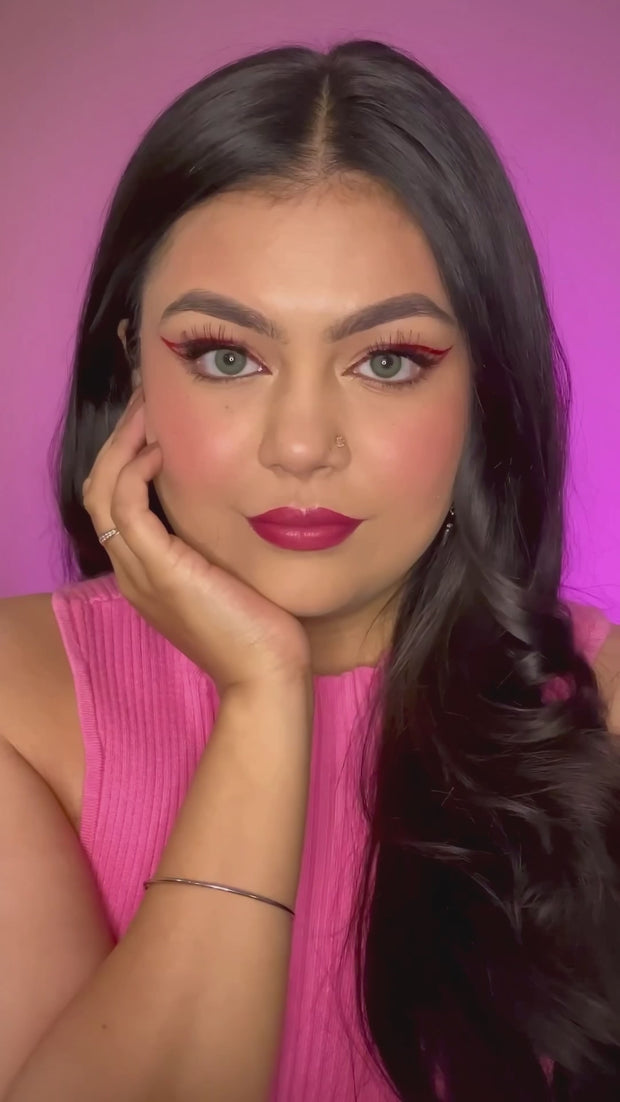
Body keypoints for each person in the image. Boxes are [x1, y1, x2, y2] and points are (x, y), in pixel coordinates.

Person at [1, 37, 620, 1102]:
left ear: (483, 388)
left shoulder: (601, 701)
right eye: (226, 356)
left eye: (387, 361)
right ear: (131, 363)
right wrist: (261, 696)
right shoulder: (14, 703)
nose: (299, 446)